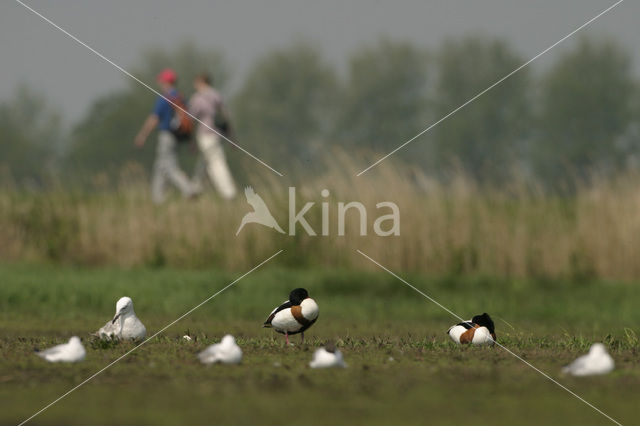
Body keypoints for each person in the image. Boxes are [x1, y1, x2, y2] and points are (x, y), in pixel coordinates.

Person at [134, 68, 196, 204]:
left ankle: (189, 189)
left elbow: (154, 119)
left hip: (166, 136)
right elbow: (188, 120)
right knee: (160, 167)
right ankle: (157, 199)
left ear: (165, 82)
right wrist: (191, 141)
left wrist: (142, 135)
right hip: (177, 137)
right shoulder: (180, 97)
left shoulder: (164, 98)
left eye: (161, 80)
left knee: (168, 166)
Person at [188, 73, 237, 200]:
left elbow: (191, 120)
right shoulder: (217, 95)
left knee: (216, 163)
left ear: (200, 82)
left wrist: (191, 141)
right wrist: (232, 137)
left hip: (205, 134)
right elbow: (226, 117)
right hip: (219, 134)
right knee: (207, 162)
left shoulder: (197, 98)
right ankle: (194, 189)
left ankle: (229, 193)